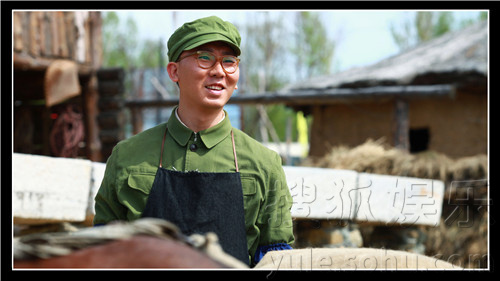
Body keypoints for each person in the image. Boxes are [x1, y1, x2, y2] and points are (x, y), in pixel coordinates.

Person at [93, 16, 295, 266]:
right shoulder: (127, 157)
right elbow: (102, 251)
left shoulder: (264, 164)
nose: (219, 71)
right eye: (205, 58)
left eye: (229, 61)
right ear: (174, 71)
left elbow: (275, 256)